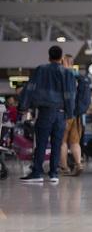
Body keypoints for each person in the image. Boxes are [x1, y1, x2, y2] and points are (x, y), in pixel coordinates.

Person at [18, 45, 75, 183]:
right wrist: (70, 113)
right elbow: (70, 95)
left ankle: (37, 173)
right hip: (61, 113)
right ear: (61, 58)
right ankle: (54, 174)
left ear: (49, 57)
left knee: (42, 143)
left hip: (45, 111)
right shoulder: (67, 73)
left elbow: (30, 88)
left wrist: (23, 106)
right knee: (57, 143)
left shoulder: (41, 70)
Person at [59, 54, 90, 176]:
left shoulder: (64, 75)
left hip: (66, 113)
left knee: (62, 142)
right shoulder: (80, 76)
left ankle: (64, 167)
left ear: (65, 62)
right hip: (77, 115)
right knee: (75, 142)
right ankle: (78, 164)